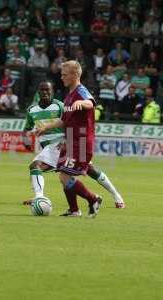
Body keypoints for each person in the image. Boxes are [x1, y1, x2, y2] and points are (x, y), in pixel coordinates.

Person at [23, 81, 124, 209]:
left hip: (63, 143)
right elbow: (27, 128)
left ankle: (113, 195)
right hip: (51, 148)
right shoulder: (32, 110)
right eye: (42, 90)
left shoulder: (60, 105)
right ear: (38, 92)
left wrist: (66, 139)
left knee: (89, 171)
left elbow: (69, 123)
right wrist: (25, 139)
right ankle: (76, 204)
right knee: (50, 171)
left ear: (52, 91)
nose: (45, 92)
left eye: (47, 90)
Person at [36, 61, 109, 218]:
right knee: (64, 175)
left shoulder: (81, 92)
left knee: (64, 176)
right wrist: (45, 127)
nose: (61, 77)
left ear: (75, 75)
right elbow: (63, 120)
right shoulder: (69, 96)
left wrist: (80, 102)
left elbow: (90, 103)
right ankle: (74, 210)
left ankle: (93, 199)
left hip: (81, 143)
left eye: (64, 74)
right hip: (70, 142)